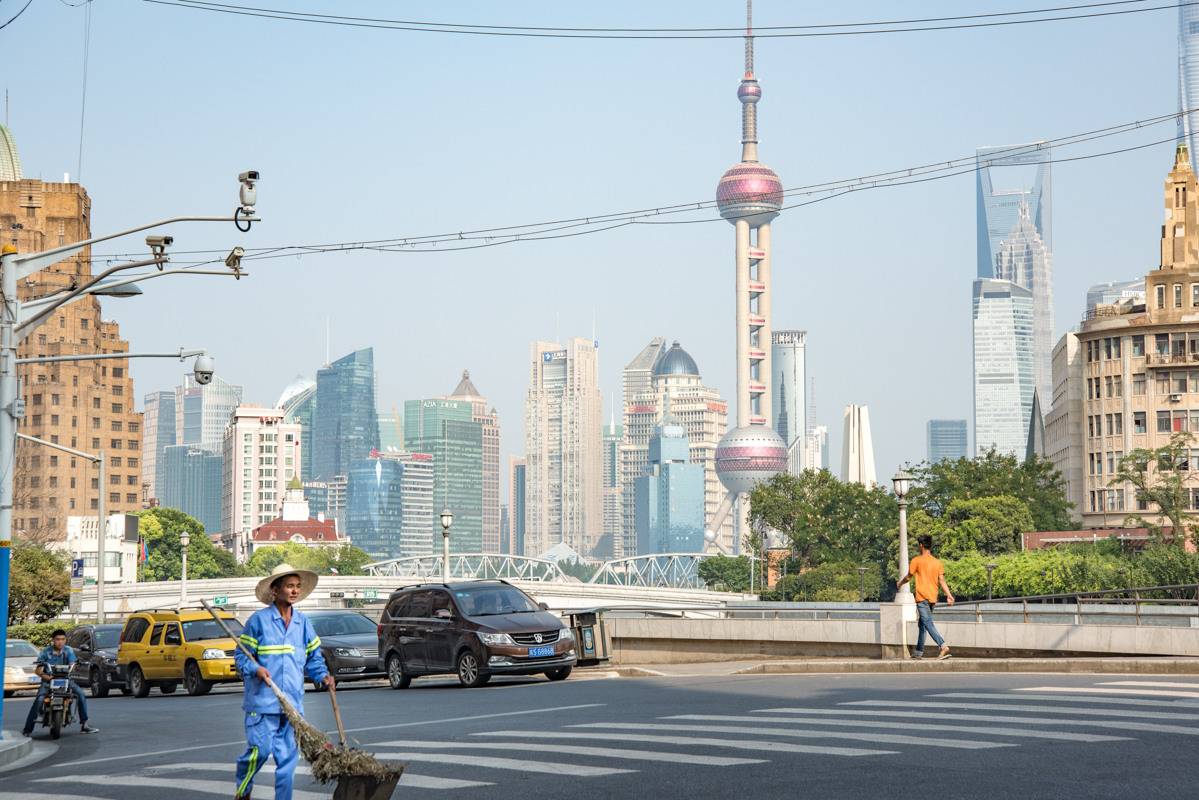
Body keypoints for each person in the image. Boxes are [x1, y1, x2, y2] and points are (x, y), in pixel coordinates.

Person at [233, 563, 335, 800]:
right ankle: (244, 789)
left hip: (292, 707)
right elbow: (241, 657)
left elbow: (313, 659)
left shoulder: (303, 624)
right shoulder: (258, 621)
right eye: (290, 586)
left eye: (298, 586)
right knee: (259, 752)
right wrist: (255, 668)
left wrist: (323, 675)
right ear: (276, 590)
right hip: (263, 704)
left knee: (288, 763)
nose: (295, 591)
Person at [22, 628, 98, 736]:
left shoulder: (68, 651)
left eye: (62, 639)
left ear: (65, 640)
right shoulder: (45, 652)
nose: (60, 642)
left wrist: (72, 667)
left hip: (65, 680)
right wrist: (45, 676)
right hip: (49, 682)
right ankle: (27, 730)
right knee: (39, 699)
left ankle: (84, 724)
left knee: (80, 694)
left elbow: (73, 667)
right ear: (53, 640)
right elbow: (38, 670)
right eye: (58, 639)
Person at [896, 534, 955, 659]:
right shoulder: (937, 562)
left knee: (927, 623)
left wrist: (900, 583)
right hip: (933, 598)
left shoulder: (916, 560)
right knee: (922, 625)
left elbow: (908, 577)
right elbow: (942, 581)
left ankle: (942, 645)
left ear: (921, 546)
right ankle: (918, 652)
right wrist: (949, 595)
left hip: (922, 597)